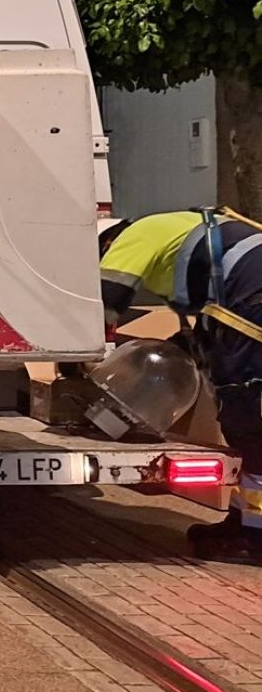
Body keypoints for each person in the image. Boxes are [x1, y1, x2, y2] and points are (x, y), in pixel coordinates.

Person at [100, 210, 262, 560]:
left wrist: (78, 362)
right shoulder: (185, 231)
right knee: (241, 415)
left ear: (108, 241)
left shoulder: (134, 235)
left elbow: (104, 300)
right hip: (247, 296)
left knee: (248, 415)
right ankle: (242, 522)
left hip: (252, 301)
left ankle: (256, 537)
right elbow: (206, 331)